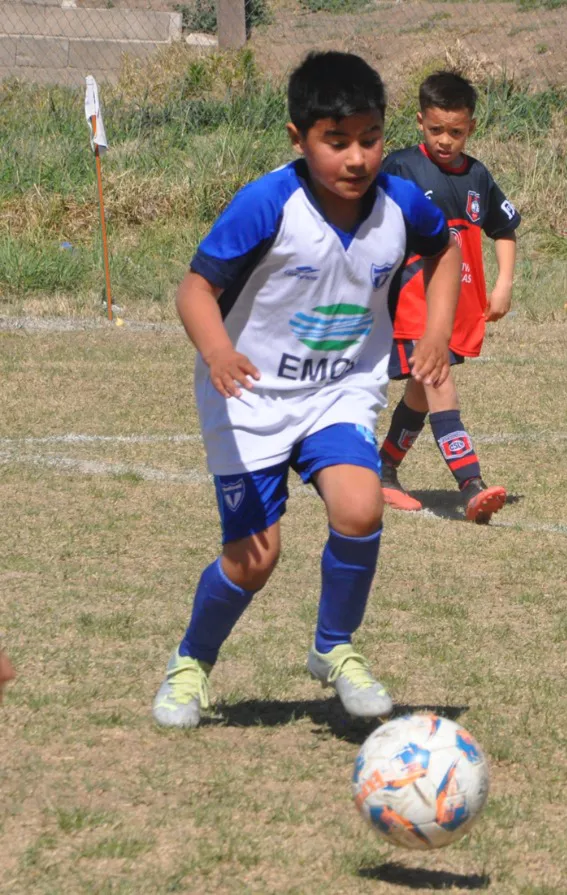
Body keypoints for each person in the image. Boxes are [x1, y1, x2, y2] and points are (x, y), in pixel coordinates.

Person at [151, 51, 461, 729]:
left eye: (370, 139)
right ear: (299, 138)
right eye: (336, 141)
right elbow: (195, 288)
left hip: (339, 390)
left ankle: (334, 646)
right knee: (255, 557)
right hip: (250, 398)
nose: (356, 158)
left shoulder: (402, 202)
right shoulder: (267, 203)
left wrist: (436, 331)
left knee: (360, 506)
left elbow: (444, 251)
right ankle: (190, 663)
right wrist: (218, 349)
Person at [377, 71, 521, 522]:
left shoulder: (478, 174)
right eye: (436, 130)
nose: (445, 140)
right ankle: (471, 484)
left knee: (422, 390)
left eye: (455, 132)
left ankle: (382, 470)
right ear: (420, 122)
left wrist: (503, 283)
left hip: (456, 305)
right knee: (437, 380)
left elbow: (504, 228)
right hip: (411, 299)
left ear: (471, 128)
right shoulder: (400, 167)